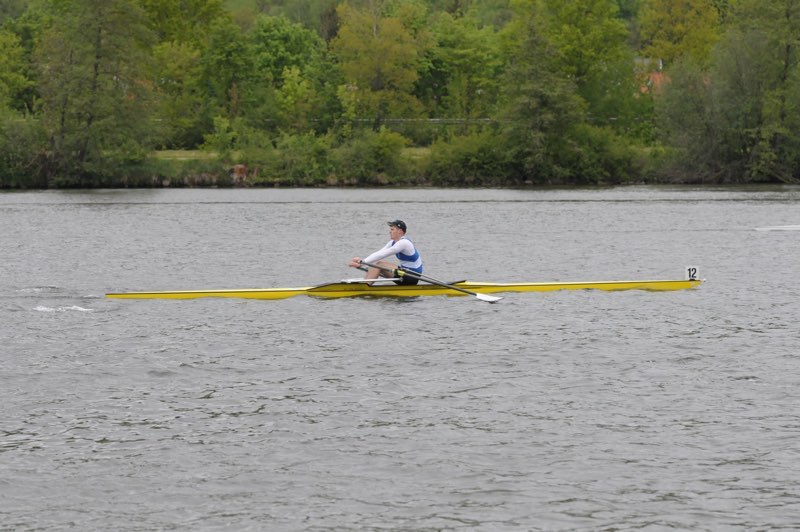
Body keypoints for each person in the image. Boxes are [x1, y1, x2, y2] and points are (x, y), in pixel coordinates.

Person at [348, 220, 423, 285]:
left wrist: (362, 262)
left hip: (412, 276)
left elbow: (383, 254)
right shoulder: (393, 242)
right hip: (404, 273)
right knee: (377, 262)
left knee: (380, 264)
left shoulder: (404, 243)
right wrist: (362, 263)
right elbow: (379, 253)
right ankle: (364, 284)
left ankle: (364, 287)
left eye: (392, 229)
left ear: (400, 231)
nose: (389, 231)